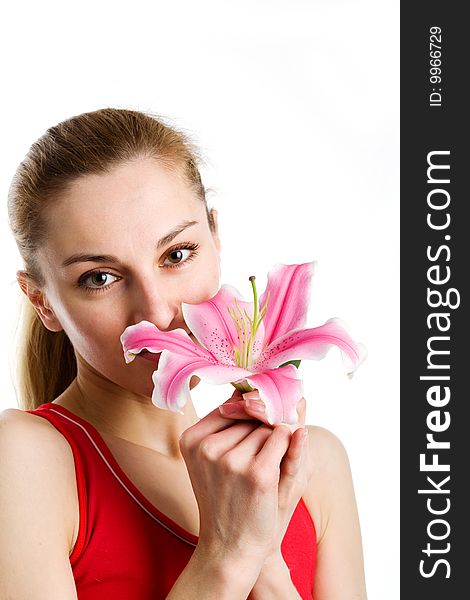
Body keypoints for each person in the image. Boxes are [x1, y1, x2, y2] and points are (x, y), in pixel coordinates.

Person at [0, 108, 367, 599]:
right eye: (99, 278)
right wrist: (226, 555)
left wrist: (265, 557)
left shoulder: (313, 464)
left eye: (177, 255)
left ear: (215, 238)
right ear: (42, 300)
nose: (156, 312)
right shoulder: (25, 461)